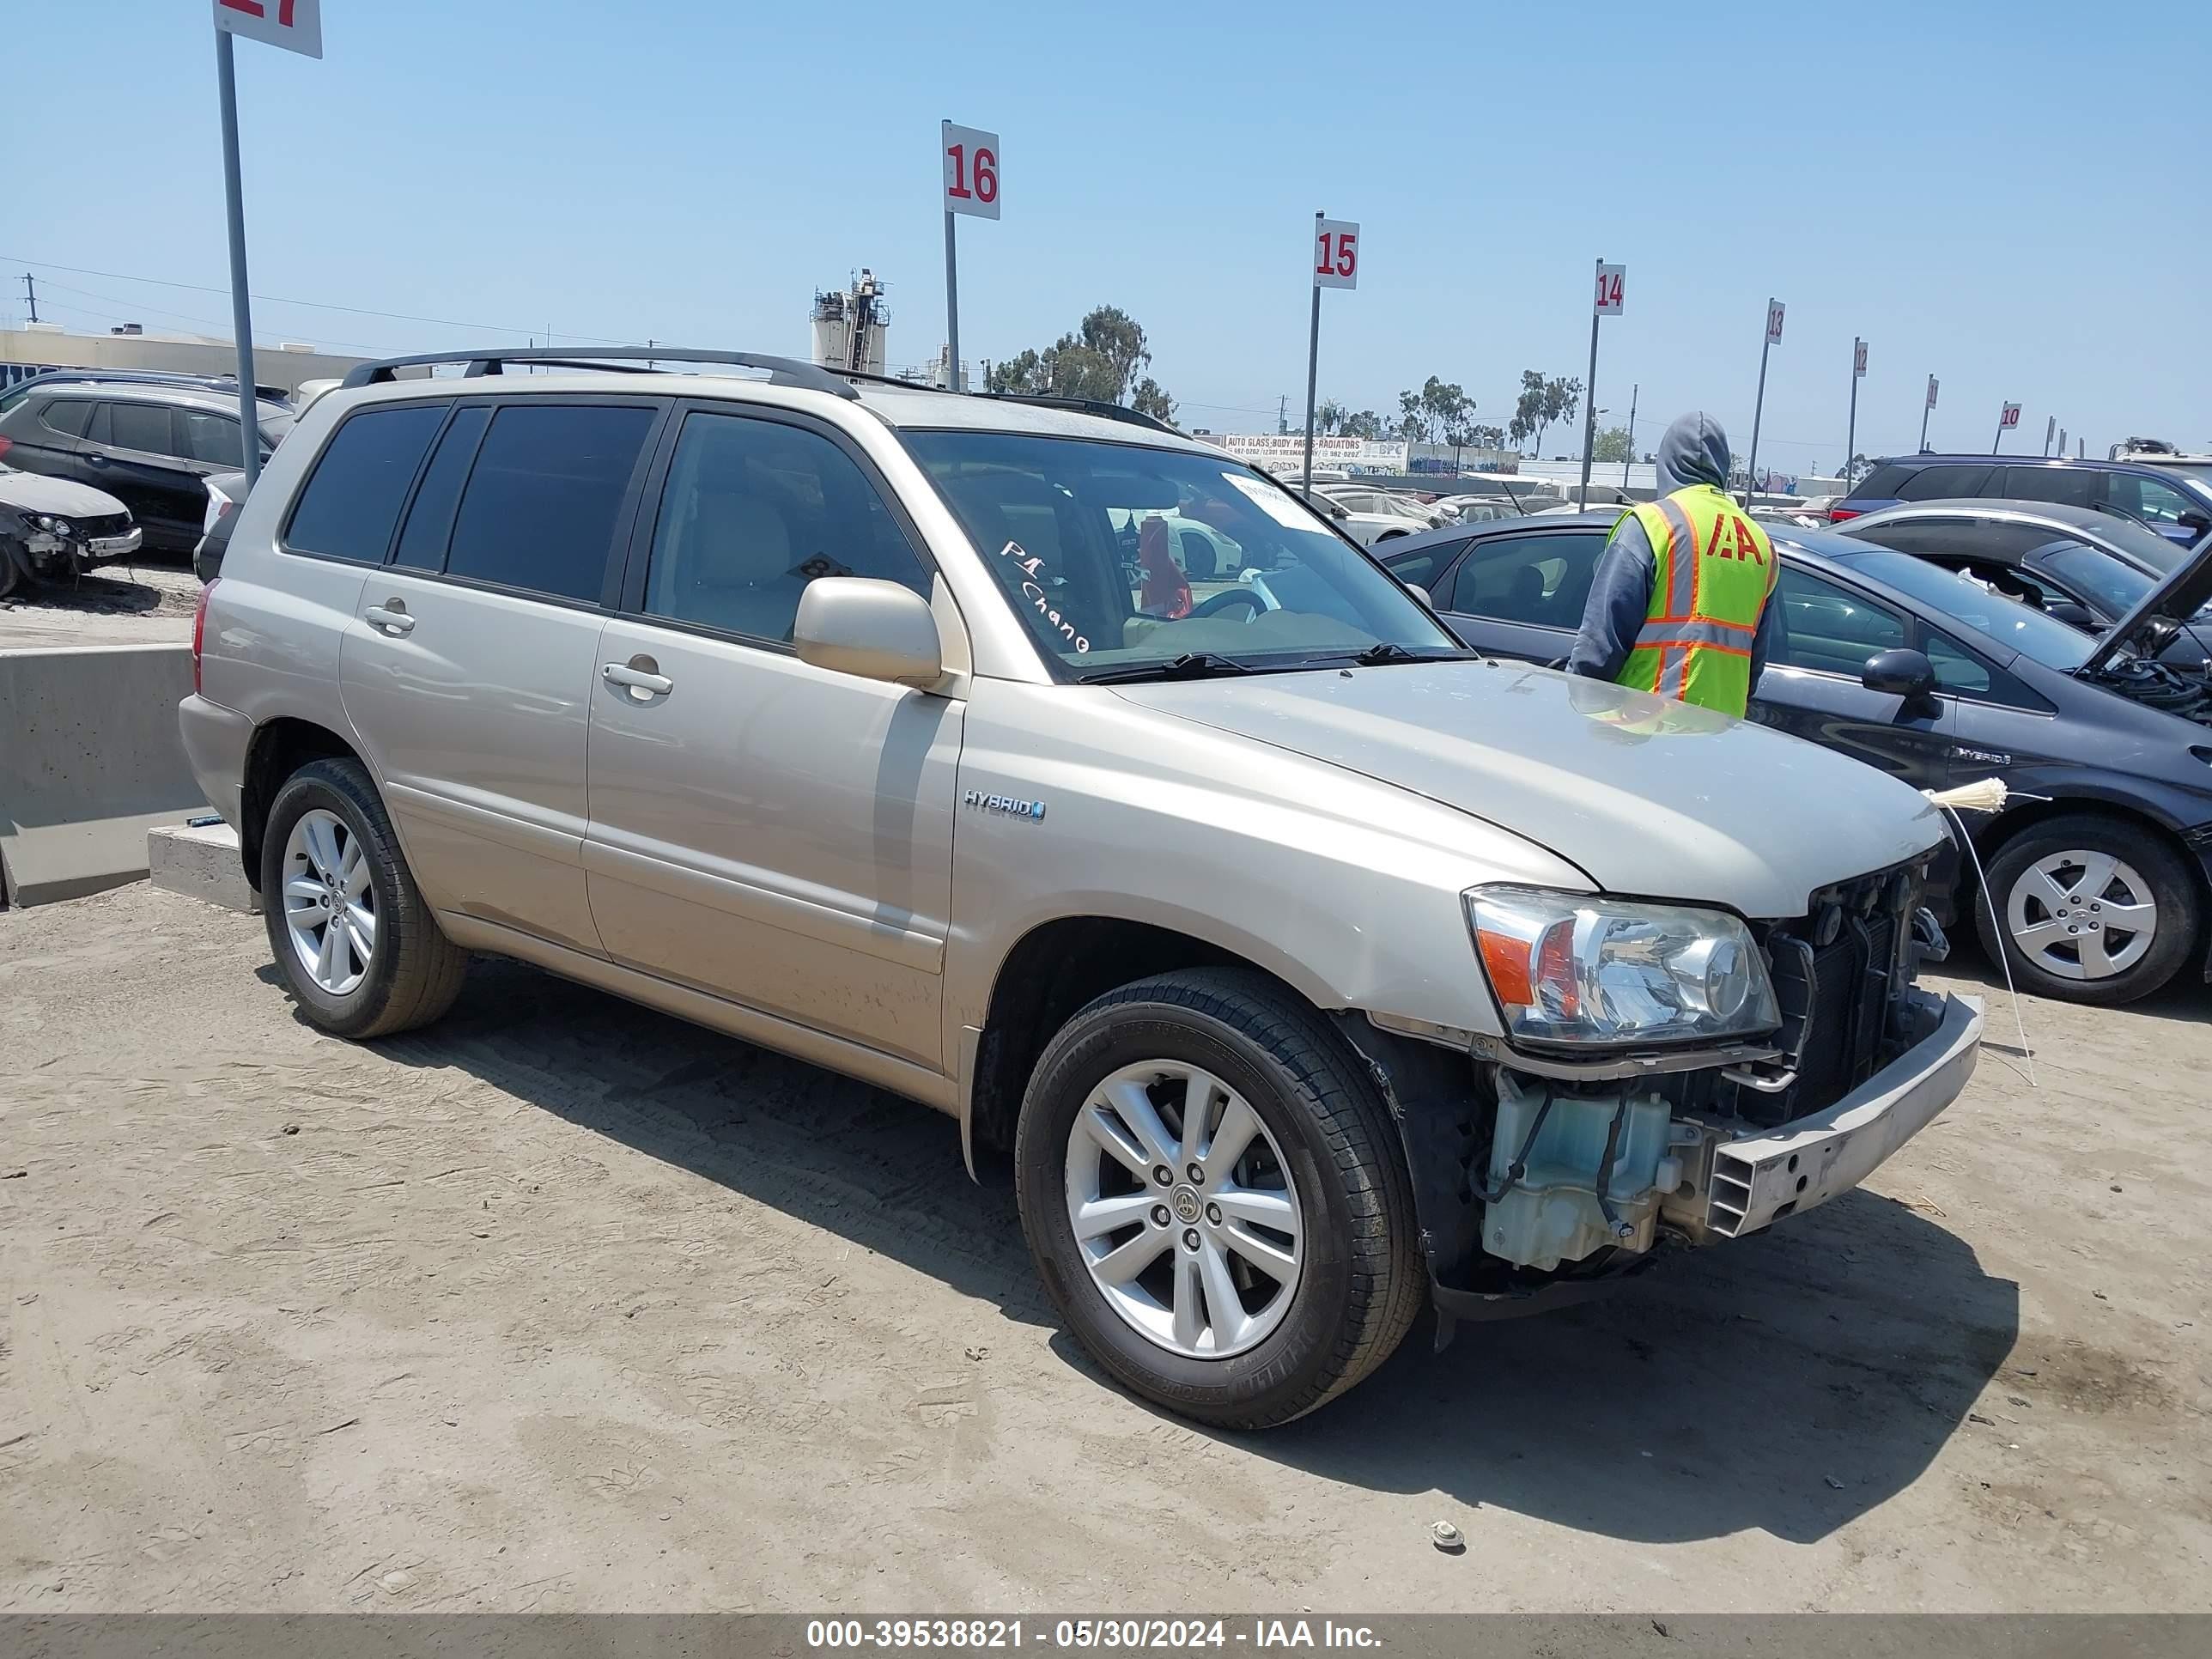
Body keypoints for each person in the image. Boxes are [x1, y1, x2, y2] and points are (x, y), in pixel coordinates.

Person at [1567, 411, 1778, 718]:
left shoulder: (1654, 524)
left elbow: (1599, 646)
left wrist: (1578, 712)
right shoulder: (1761, 544)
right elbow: (1753, 667)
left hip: (1644, 729)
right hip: (1719, 733)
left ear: (1666, 464)